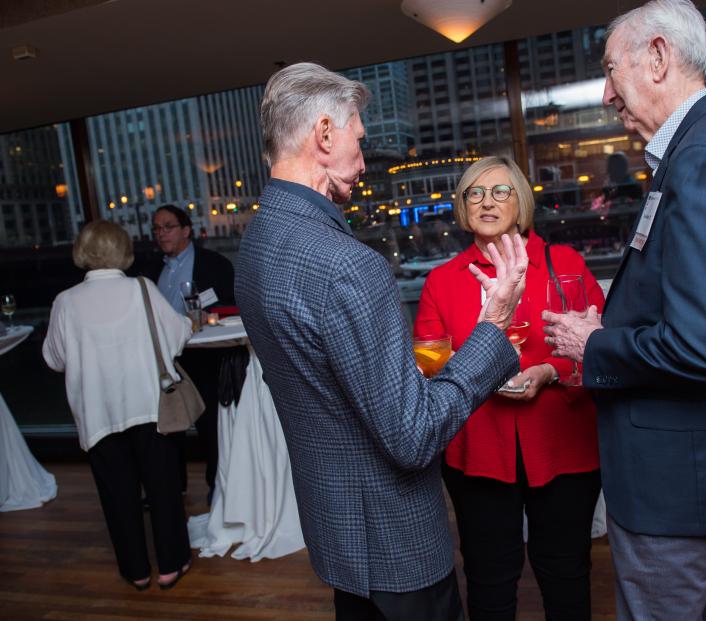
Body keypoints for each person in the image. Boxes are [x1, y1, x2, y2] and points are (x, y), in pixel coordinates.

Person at [235, 62, 528, 621]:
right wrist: (492, 329)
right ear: (324, 134)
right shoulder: (348, 266)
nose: (364, 163)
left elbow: (319, 377)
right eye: (359, 140)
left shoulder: (259, 244)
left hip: (337, 527)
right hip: (394, 538)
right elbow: (413, 437)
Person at [542, 1, 706, 619]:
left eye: (611, 70)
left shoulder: (703, 157)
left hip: (674, 477)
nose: (607, 92)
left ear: (658, 57)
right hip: (691, 464)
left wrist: (594, 343)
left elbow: (700, 346)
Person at [414, 155, 604, 620]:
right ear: (462, 207)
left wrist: (548, 372)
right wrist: (471, 366)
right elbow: (426, 355)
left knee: (565, 571)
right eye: (474, 193)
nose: (487, 202)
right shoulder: (442, 280)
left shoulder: (565, 265)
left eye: (500, 191)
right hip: (477, 451)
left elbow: (600, 344)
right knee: (488, 575)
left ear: (521, 200)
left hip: (563, 446)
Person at [43, 221, 192, 590]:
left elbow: (53, 359)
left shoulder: (65, 301)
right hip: (149, 406)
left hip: (98, 415)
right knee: (163, 490)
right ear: (122, 250)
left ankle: (137, 571)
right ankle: (171, 565)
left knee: (118, 496)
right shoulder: (141, 288)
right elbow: (175, 338)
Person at [143, 204, 235, 504]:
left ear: (186, 230)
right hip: (165, 359)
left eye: (167, 226)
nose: (161, 233)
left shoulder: (215, 264)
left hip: (203, 355)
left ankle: (216, 487)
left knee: (209, 426)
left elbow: (231, 306)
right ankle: (173, 487)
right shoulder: (148, 270)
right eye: (157, 228)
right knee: (167, 427)